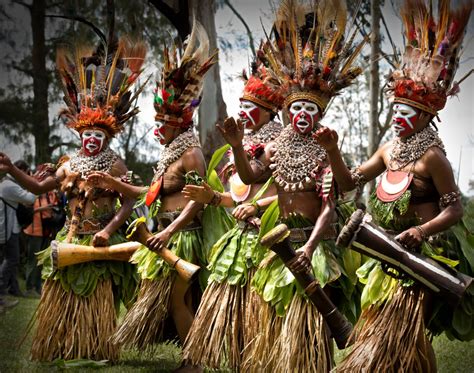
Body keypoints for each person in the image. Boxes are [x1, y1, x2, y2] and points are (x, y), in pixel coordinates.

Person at [314, 1, 473, 370]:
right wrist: (333, 150)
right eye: (397, 111)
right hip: (385, 250)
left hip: (425, 254)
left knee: (409, 332)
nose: (399, 119)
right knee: (383, 330)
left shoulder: (432, 157)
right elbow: (348, 182)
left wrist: (421, 229)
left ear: (427, 114)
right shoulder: (388, 151)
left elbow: (455, 208)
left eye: (408, 114)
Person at [215, 1, 366, 371]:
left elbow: (330, 205)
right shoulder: (276, 144)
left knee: (314, 319)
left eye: (309, 111)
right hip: (283, 243)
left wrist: (312, 246)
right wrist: (236, 144)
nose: (301, 116)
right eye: (296, 109)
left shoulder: (324, 146)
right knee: (280, 318)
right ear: (287, 109)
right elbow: (251, 178)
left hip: (316, 245)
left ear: (319, 113)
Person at [0, 35, 146, 361]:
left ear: (106, 136)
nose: (92, 140)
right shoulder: (69, 164)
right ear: (79, 134)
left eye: (98, 135)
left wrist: (109, 230)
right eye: (87, 134)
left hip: (99, 240)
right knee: (64, 293)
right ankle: (62, 345)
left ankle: (98, 347)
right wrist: (11, 168)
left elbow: (129, 201)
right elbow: (39, 189)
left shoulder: (115, 163)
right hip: (70, 238)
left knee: (97, 294)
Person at [88, 21, 217, 355]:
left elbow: (198, 201)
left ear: (178, 122)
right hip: (165, 232)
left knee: (179, 300)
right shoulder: (170, 152)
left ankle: (194, 362)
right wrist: (113, 183)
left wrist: (171, 229)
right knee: (175, 301)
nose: (158, 130)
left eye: (162, 124)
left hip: (184, 235)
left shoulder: (191, 154)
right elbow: (151, 192)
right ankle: (193, 356)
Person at [182, 56, 284, 370]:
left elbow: (288, 194)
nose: (243, 110)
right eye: (242, 103)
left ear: (269, 111)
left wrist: (259, 206)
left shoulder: (281, 143)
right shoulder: (238, 145)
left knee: (263, 312)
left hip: (270, 240)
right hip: (239, 241)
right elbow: (236, 198)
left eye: (251, 104)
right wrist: (211, 197)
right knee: (238, 314)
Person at [23, 163, 62, 297]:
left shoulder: (50, 191)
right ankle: (29, 288)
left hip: (47, 230)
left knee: (42, 260)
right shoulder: (33, 190)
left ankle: (38, 287)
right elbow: (26, 211)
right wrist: (42, 209)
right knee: (32, 260)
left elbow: (56, 206)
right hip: (34, 230)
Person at [0, 160, 35, 298]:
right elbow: (30, 198)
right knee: (12, 259)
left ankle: (13, 289)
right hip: (9, 229)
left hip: (10, 227)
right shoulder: (10, 186)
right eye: (25, 173)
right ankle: (1, 293)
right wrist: (33, 183)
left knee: (10, 260)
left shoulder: (6, 183)